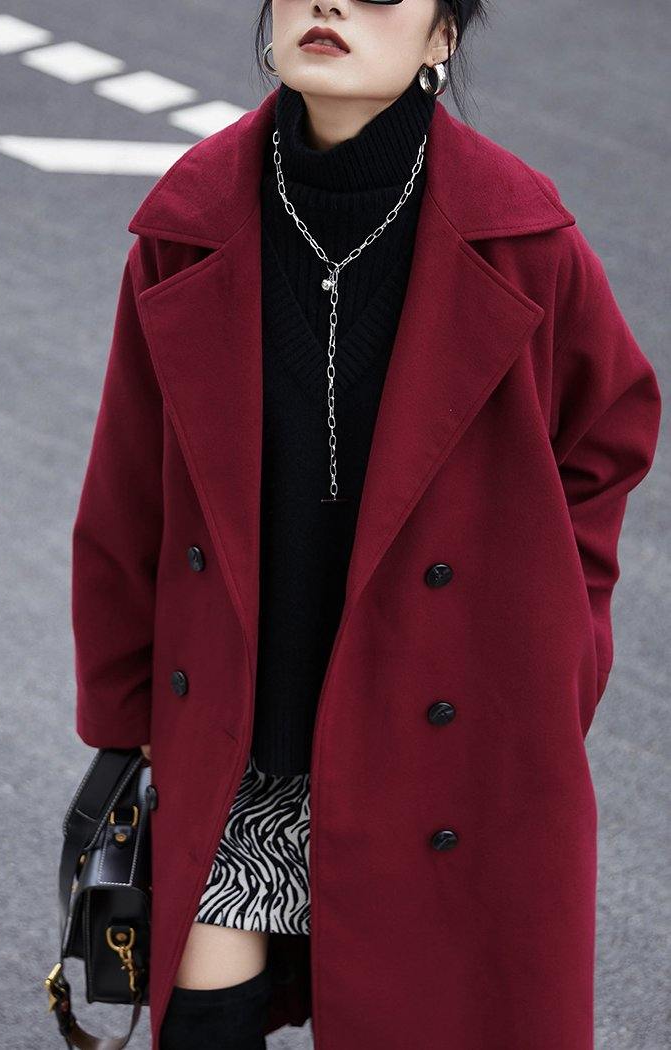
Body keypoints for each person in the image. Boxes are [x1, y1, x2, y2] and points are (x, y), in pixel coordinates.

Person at [70, 2, 662, 1048]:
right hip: (246, 733)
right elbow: (127, 493)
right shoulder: (191, 223)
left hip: (439, 740)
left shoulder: (523, 239)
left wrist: (556, 653)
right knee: (202, 1018)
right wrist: (122, 715)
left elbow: (607, 436)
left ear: (442, 38)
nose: (331, 3)